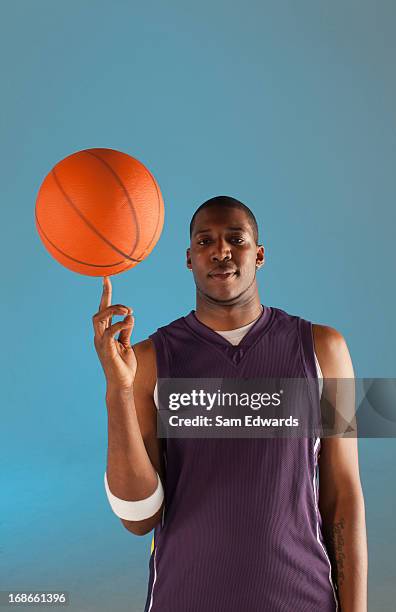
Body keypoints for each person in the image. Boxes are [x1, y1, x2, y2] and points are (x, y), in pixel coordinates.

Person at [93, 196, 368, 612]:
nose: (220, 250)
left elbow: (343, 496)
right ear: (189, 259)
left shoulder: (326, 350)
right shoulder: (148, 360)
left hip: (301, 600)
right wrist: (120, 390)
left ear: (258, 255)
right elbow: (138, 518)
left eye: (235, 239)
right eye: (205, 241)